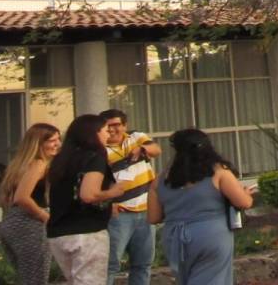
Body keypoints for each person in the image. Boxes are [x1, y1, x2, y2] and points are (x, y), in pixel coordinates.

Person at [147, 127, 254, 285]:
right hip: (211, 234)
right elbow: (243, 202)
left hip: (175, 236)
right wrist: (246, 193)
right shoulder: (219, 173)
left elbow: (153, 217)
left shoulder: (160, 180)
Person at [49, 113, 136, 284]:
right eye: (104, 130)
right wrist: (114, 192)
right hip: (87, 232)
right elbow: (89, 194)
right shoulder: (94, 158)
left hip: (59, 233)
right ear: (93, 133)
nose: (108, 134)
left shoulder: (61, 159)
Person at [101, 108, 161, 285]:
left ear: (124, 125)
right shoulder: (100, 149)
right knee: (110, 265)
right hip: (119, 213)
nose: (112, 129)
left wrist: (142, 149)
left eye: (116, 125)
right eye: (107, 126)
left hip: (146, 211)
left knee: (143, 264)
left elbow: (156, 149)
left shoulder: (135, 137)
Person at [0, 122, 61, 285]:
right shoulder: (38, 164)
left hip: (12, 223)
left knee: (28, 278)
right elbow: (22, 197)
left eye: (58, 139)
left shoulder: (21, 164)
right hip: (30, 225)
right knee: (36, 279)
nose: (57, 144)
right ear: (38, 144)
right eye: (52, 141)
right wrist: (45, 216)